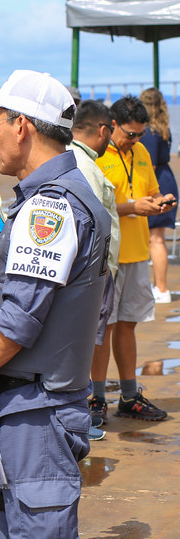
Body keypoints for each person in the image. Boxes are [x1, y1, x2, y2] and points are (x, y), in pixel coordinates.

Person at [0, 69, 111, 537]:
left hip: (38, 411)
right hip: (26, 409)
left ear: (22, 125)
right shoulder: (42, 199)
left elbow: (18, 323)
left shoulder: (51, 207)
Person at [92, 96, 173, 423]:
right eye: (129, 133)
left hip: (138, 253)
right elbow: (94, 205)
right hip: (107, 257)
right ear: (111, 126)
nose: (135, 140)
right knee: (103, 329)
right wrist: (132, 208)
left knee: (127, 326)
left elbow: (150, 192)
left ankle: (129, 395)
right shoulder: (95, 155)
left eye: (140, 134)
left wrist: (159, 201)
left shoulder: (140, 152)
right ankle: (95, 399)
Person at [69, 100, 121, 437]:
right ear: (103, 129)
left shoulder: (73, 159)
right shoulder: (85, 166)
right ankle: (79, 418)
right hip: (92, 273)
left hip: (91, 272)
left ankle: (78, 415)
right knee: (83, 343)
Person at [138, 87, 178, 303]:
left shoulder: (149, 132)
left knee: (155, 240)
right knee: (157, 239)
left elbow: (149, 166)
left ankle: (161, 289)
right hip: (167, 178)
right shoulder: (164, 128)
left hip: (158, 184)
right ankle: (158, 287)